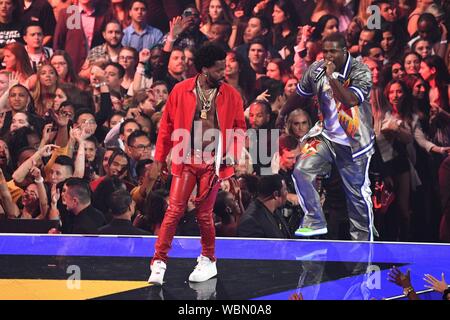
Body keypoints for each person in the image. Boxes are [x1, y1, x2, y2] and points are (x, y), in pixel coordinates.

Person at [148, 43, 246, 285]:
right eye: (218, 69)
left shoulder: (231, 94)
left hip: (213, 163)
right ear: (204, 69)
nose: (223, 73)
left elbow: (239, 128)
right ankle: (158, 262)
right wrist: (159, 158)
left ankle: (208, 259)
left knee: (204, 214)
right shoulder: (181, 90)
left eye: (225, 68)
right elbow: (166, 128)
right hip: (186, 158)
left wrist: (232, 152)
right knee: (173, 210)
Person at [293, 33, 376, 241]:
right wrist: (284, 113)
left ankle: (364, 243)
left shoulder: (360, 71)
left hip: (354, 144)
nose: (328, 56)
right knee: (302, 170)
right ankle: (315, 220)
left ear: (345, 51)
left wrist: (331, 77)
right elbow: (300, 94)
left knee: (356, 196)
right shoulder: (316, 69)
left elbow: (349, 99)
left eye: (333, 51)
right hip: (327, 137)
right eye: (325, 51)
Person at [237, 174, 291, 238]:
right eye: (285, 189)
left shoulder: (274, 211)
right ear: (276, 194)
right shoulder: (250, 222)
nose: (287, 193)